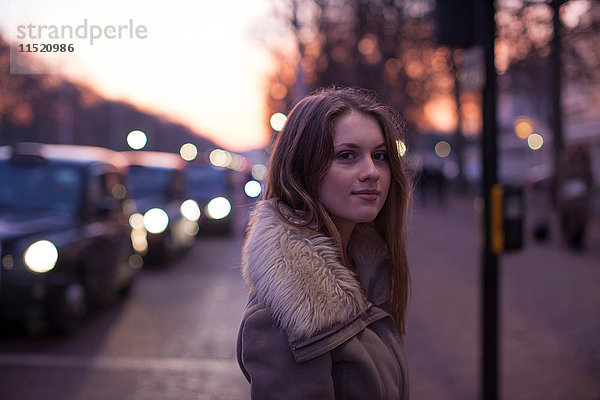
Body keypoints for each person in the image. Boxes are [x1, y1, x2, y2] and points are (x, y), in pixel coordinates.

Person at [236, 87, 411, 399]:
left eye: (380, 156)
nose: (372, 172)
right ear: (303, 169)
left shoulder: (366, 274)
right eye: (347, 155)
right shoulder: (286, 314)